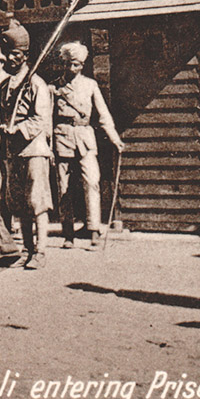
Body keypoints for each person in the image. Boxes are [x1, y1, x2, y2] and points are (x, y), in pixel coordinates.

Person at [52, 41, 124, 250]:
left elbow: (103, 115)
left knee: (92, 182)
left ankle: (94, 230)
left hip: (85, 137)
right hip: (62, 138)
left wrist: (114, 138)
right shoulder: (55, 86)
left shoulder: (90, 85)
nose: (70, 68)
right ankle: (68, 233)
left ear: (82, 65)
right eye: (67, 64)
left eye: (74, 64)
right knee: (63, 188)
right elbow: (48, 118)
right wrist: (49, 145)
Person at [0, 21, 54, 269]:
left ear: (25, 56)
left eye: (15, 54)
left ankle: (40, 251)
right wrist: (1, 126)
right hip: (13, 151)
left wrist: (18, 129)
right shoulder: (5, 86)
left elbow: (40, 118)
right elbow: (2, 114)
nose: (10, 58)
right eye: (8, 53)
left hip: (33, 151)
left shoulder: (36, 84)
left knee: (36, 201)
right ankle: (26, 249)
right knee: (18, 202)